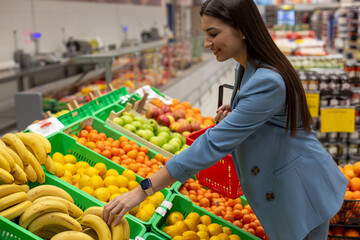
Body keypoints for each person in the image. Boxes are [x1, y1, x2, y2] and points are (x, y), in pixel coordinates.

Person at [102, 0, 348, 239]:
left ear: (242, 29)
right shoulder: (247, 67)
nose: (207, 43)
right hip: (286, 184)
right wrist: (239, 106)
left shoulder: (267, 80)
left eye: (213, 33)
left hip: (301, 193)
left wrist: (144, 190)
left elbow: (213, 143)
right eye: (205, 34)